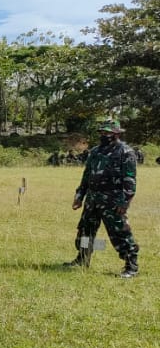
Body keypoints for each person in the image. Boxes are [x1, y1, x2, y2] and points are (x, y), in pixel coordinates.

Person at [64, 119, 139, 278]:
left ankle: (131, 265)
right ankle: (82, 258)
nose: (104, 135)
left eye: (108, 133)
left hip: (113, 201)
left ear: (117, 134)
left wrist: (125, 201)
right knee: (85, 231)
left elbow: (130, 179)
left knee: (119, 232)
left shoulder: (125, 152)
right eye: (102, 132)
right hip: (92, 200)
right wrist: (79, 196)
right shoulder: (95, 152)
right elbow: (87, 175)